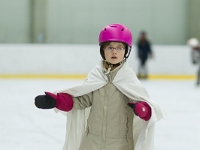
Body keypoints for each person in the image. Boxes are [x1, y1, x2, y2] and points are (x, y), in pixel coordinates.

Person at [35, 23, 166, 150]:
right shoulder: (96, 76)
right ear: (102, 50)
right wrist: (56, 101)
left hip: (120, 144)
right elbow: (81, 100)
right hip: (92, 142)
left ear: (126, 50)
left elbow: (146, 107)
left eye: (119, 48)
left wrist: (142, 109)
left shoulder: (128, 79)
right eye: (109, 47)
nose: (114, 52)